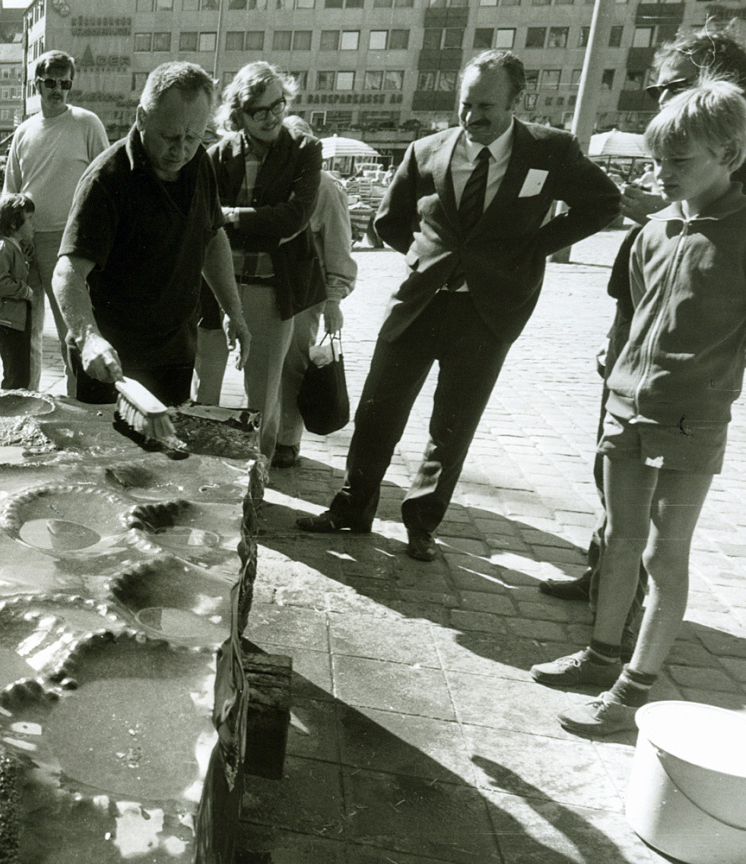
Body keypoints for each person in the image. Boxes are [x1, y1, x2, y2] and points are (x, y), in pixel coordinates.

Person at [296, 50, 620, 562]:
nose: (472, 117)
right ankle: (352, 508)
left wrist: (533, 247)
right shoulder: (426, 150)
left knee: (453, 424)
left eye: (486, 106)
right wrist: (428, 258)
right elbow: (389, 221)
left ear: (517, 101)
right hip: (419, 304)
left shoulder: (551, 150)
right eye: (466, 104)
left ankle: (422, 523)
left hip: (488, 311)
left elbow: (603, 203)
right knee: (378, 410)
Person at [532, 80, 746, 737]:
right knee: (620, 540)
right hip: (626, 406)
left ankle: (632, 690)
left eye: (679, 162)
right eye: (657, 161)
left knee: (664, 553)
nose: (662, 175)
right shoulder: (654, 229)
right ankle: (601, 656)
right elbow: (632, 314)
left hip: (691, 419)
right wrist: (620, 373)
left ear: (731, 154)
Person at [54, 60, 251, 407]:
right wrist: (89, 338)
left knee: (167, 437)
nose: (181, 149)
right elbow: (67, 271)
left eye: (193, 137)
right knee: (108, 441)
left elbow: (212, 236)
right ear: (142, 118)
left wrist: (233, 312)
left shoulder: (199, 163)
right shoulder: (106, 179)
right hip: (112, 359)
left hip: (175, 351)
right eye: (170, 136)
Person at [196, 62, 323, 463]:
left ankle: (258, 470)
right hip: (217, 290)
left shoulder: (304, 150)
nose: (271, 117)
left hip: (271, 290)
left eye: (277, 105)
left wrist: (234, 216)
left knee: (264, 393)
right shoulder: (217, 156)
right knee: (205, 391)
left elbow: (295, 218)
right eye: (259, 111)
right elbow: (206, 223)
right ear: (239, 113)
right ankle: (201, 468)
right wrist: (264, 222)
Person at [4, 50, 109, 394]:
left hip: (69, 245)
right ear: (37, 84)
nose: (58, 90)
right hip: (27, 244)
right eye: (51, 83)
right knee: (25, 332)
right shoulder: (23, 132)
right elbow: (10, 190)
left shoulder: (86, 124)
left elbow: (106, 182)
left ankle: (77, 402)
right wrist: (11, 241)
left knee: (73, 331)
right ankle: (27, 399)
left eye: (65, 84)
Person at [272, 114, 358, 469]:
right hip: (265, 287)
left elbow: (338, 248)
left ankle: (286, 441)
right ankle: (265, 435)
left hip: (303, 293)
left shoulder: (325, 186)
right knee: (266, 368)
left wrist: (334, 300)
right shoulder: (272, 179)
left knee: (292, 368)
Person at [0, 194, 41, 390]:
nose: (33, 224)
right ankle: (8, 402)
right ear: (13, 223)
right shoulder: (3, 249)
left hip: (15, 320)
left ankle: (13, 401)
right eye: (29, 219)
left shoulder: (14, 247)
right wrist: (25, 291)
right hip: (7, 322)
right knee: (15, 373)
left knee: (20, 370)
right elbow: (0, 283)